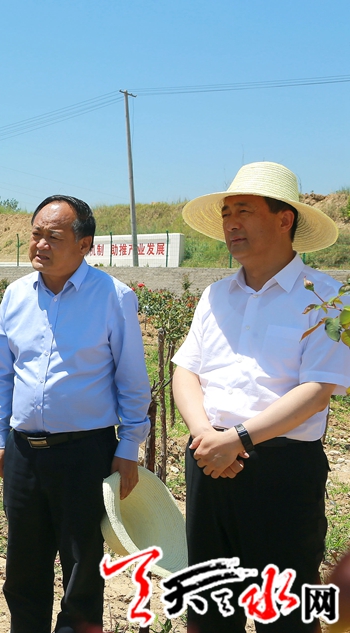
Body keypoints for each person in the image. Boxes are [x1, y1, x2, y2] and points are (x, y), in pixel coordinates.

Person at [172, 161, 350, 632]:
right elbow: (186, 370)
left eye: (244, 211)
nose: (231, 224)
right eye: (226, 213)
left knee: (286, 614)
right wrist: (206, 435)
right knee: (210, 610)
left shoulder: (327, 299)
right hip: (208, 461)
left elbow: (316, 391)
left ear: (284, 218)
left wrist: (239, 439)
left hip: (281, 470)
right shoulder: (215, 296)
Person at [0, 194, 151, 633]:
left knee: (82, 567)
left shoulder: (113, 297)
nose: (40, 244)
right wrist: (1, 440)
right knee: (23, 567)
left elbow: (132, 380)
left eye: (53, 237)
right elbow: (1, 374)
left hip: (85, 453)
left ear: (84, 245)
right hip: (24, 452)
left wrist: (129, 447)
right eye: (36, 234)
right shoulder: (16, 295)